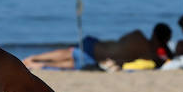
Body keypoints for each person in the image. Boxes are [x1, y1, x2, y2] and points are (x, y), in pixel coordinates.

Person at [23, 23, 174, 70]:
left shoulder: (138, 34)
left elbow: (121, 41)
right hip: (97, 57)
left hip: (97, 47)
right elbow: (163, 61)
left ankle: (34, 59)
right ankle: (37, 64)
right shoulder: (149, 54)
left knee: (69, 53)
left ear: (153, 33)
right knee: (69, 61)